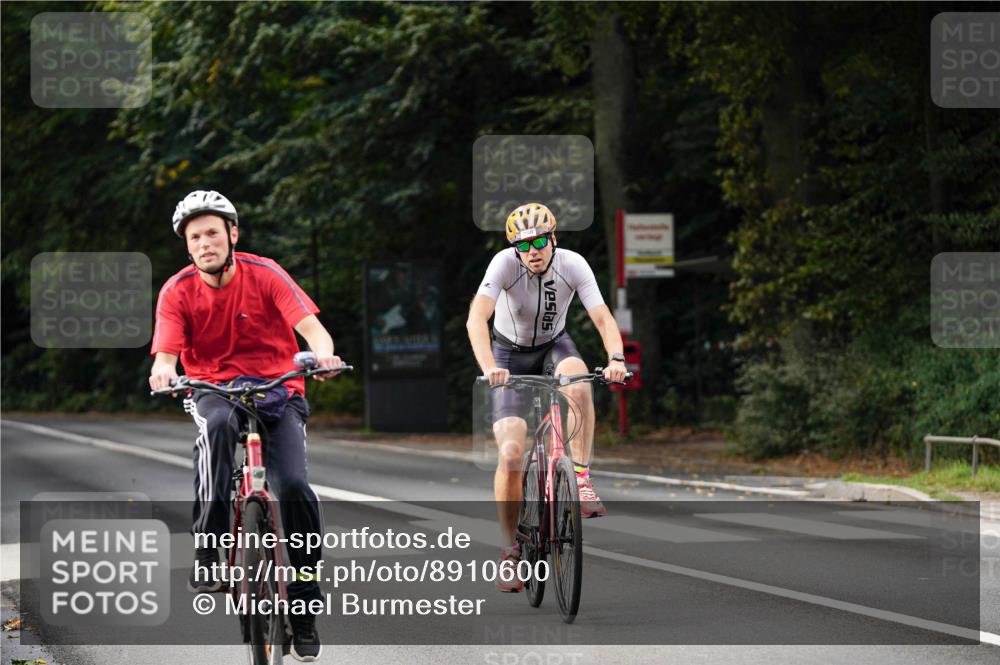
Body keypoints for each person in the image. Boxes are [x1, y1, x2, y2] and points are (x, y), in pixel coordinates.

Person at [149, 190, 340, 661]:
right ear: (187, 246)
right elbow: (166, 355)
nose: (204, 243)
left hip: (280, 387)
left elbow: (312, 328)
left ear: (232, 234)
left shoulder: (266, 273)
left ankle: (303, 604)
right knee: (214, 432)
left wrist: (323, 353)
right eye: (194, 237)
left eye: (212, 232)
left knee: (293, 485)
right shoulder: (176, 291)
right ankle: (208, 548)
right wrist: (163, 371)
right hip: (214, 388)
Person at [466, 202, 628, 592]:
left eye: (540, 240)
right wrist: (490, 368)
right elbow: (477, 319)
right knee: (509, 454)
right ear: (514, 248)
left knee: (579, 380)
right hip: (508, 355)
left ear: (553, 238)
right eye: (523, 245)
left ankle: (583, 478)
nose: (533, 250)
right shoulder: (504, 264)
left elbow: (603, 318)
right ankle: (509, 552)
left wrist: (616, 358)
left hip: (554, 345)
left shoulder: (573, 264)